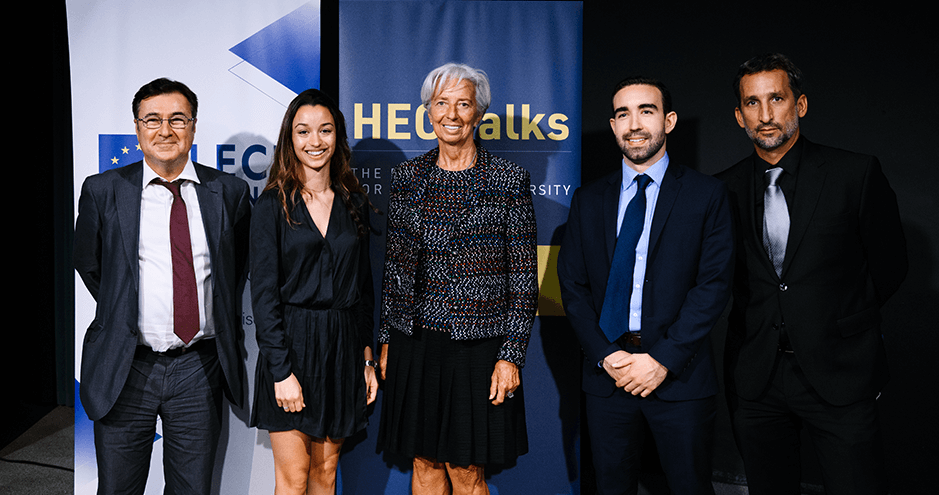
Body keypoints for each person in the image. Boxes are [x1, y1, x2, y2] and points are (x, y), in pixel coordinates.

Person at [717, 53, 908, 495]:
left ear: (799, 105)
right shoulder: (720, 189)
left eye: (776, 99)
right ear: (738, 114)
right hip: (756, 377)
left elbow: (891, 265)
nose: (765, 115)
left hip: (839, 372)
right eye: (752, 103)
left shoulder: (854, 173)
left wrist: (839, 323)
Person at [73, 77, 251, 494]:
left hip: (198, 367)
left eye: (177, 119)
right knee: (118, 488)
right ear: (137, 129)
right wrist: (127, 311)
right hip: (126, 364)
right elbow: (89, 264)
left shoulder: (229, 192)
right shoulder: (103, 190)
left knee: (192, 489)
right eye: (152, 120)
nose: (164, 131)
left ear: (193, 126)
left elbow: (235, 267)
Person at [558, 77, 734, 495]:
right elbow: (573, 286)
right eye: (623, 114)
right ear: (614, 125)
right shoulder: (588, 199)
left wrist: (662, 360)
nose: (634, 124)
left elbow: (713, 285)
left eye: (646, 111)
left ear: (669, 121)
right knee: (611, 487)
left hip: (678, 376)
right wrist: (606, 355)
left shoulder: (706, 195)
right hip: (608, 378)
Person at [376, 62, 538, 494]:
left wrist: (512, 356)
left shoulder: (507, 180)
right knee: (424, 463)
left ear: (478, 113)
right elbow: (394, 268)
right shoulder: (408, 178)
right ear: (428, 111)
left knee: (466, 470)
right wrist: (386, 340)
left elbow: (524, 280)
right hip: (415, 344)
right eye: (441, 103)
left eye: (462, 103)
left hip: (478, 349)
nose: (451, 113)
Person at [249, 89, 378, 495]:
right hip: (292, 349)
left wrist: (367, 357)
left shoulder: (353, 201)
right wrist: (281, 371)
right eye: (303, 131)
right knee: (293, 478)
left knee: (326, 474)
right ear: (290, 138)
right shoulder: (273, 204)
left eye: (325, 130)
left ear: (337, 136)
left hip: (342, 349)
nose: (315, 141)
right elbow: (264, 296)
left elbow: (363, 289)